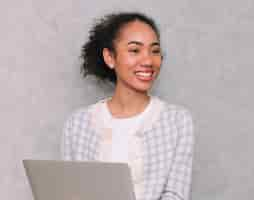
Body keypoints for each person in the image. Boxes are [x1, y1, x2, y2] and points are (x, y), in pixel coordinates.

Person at [61, 12, 194, 200]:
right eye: (134, 50)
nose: (148, 61)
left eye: (154, 51)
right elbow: (68, 192)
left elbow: (176, 195)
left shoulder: (177, 121)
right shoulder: (78, 124)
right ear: (110, 57)